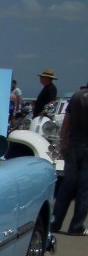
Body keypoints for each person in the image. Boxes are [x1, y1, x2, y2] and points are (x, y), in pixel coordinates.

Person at [51, 81, 88, 235]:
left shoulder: (76, 96)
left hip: (73, 144)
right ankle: (76, 226)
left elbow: (66, 122)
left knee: (67, 186)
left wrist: (63, 143)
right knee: (84, 189)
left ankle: (54, 223)